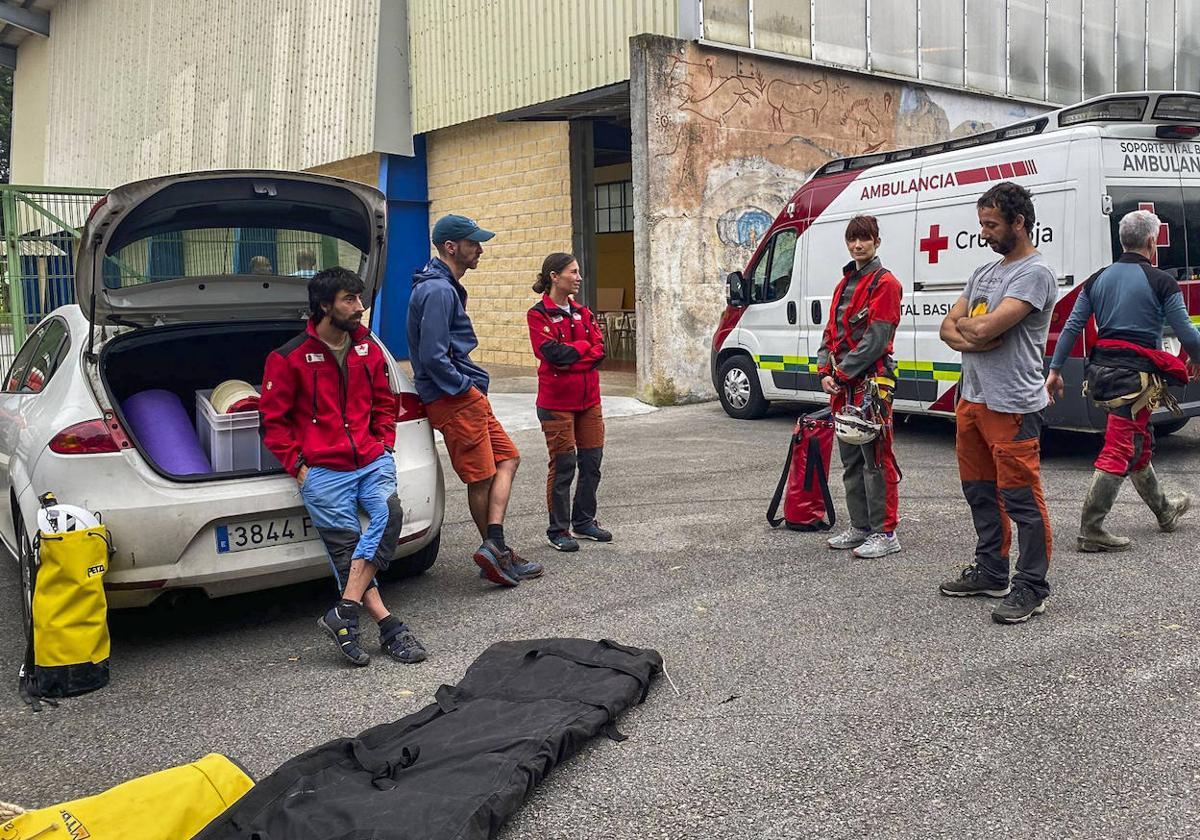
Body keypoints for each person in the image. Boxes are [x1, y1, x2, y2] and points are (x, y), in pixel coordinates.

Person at [260, 267, 426, 666]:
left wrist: (384, 444)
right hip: (322, 470)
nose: (360, 307)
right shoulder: (288, 358)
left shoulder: (367, 349)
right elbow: (272, 422)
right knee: (345, 548)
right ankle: (387, 626)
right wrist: (298, 466)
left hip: (370, 459)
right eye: (349, 300)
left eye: (359, 298)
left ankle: (345, 610)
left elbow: (386, 402)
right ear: (324, 305)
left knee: (390, 515)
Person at [938, 182, 1058, 625]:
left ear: (1018, 222)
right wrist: (973, 334)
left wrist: (971, 332)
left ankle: (1031, 585)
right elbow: (949, 329)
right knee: (979, 492)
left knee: (1021, 498)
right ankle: (991, 571)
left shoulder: (1035, 273)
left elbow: (985, 328)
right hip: (972, 399)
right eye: (981, 224)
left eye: (991, 224)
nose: (984, 233)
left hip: (1012, 404)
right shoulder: (983, 273)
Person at [1045, 209, 1199, 551]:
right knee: (1119, 448)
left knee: (1139, 443)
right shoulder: (1161, 281)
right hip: (1136, 381)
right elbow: (1187, 331)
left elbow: (1072, 326)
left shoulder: (1097, 279)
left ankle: (1164, 511)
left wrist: (1055, 370)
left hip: (1102, 375)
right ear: (1151, 242)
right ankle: (1091, 529)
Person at [407, 214, 543, 587]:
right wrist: (464, 387)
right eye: (472, 243)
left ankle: (495, 544)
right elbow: (434, 356)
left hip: (465, 395)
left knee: (508, 457)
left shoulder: (442, 287)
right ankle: (495, 554)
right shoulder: (437, 291)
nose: (479, 249)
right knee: (481, 477)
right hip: (454, 398)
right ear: (451, 247)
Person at [817, 215, 903, 559]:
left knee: (876, 459)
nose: (857, 245)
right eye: (852, 239)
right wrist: (824, 370)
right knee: (851, 458)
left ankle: (886, 532)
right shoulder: (844, 283)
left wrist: (840, 376)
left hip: (871, 386)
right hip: (844, 387)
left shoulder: (886, 283)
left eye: (864, 239)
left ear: (877, 242)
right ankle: (860, 526)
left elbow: (876, 340)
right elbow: (830, 333)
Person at [526, 253, 612, 552]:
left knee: (592, 463)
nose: (578, 277)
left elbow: (600, 351)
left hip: (589, 402)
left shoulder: (584, 313)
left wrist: (574, 356)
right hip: (556, 404)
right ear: (554, 276)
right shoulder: (538, 315)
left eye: (578, 272)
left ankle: (584, 521)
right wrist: (581, 353)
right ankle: (558, 529)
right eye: (573, 272)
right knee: (564, 465)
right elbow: (552, 355)